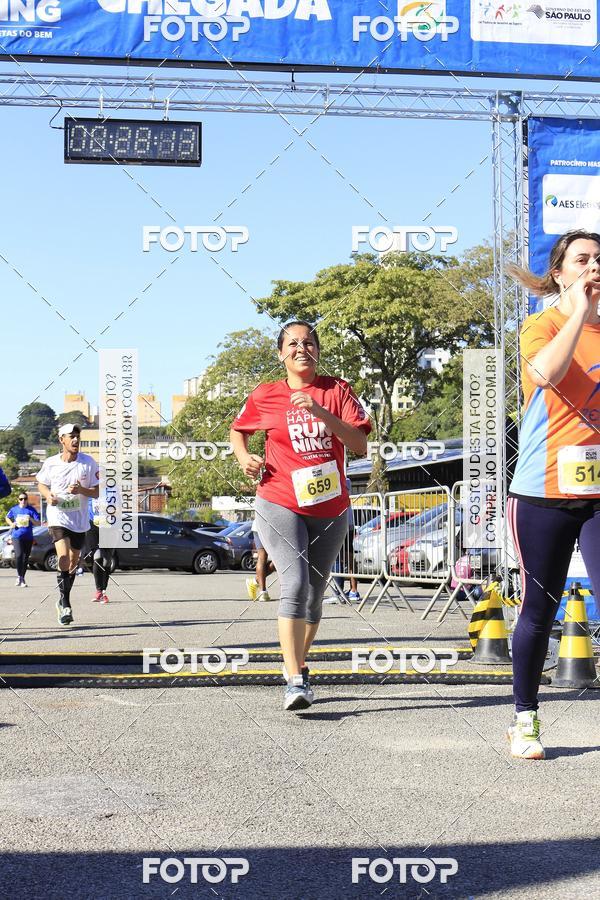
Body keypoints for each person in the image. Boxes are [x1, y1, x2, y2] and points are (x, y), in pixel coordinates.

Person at [230, 320, 371, 711]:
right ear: (281, 354)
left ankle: (298, 663)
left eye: (308, 342)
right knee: (293, 583)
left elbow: (359, 444)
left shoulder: (337, 390)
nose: (300, 348)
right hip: (279, 498)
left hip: (330, 506)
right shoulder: (265, 394)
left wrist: (322, 412)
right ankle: (294, 678)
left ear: (318, 351)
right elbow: (238, 431)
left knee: (314, 592)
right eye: (292, 343)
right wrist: (245, 458)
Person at [506, 230, 600, 759]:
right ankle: (525, 719)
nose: (593, 267)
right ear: (560, 272)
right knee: (539, 610)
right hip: (542, 492)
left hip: (598, 495)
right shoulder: (540, 325)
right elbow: (545, 373)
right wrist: (578, 314)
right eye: (582, 260)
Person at [36, 423, 99, 626]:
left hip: (78, 519)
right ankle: (65, 602)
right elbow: (41, 483)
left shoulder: (88, 463)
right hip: (57, 516)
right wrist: (48, 496)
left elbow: (96, 492)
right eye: (71, 436)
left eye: (77, 436)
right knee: (62, 556)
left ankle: (63, 599)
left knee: (73, 562)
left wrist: (81, 489)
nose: (75, 440)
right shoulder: (51, 462)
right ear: (61, 439)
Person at [83, 496, 115, 604]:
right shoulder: (88, 493)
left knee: (106, 561)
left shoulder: (112, 492)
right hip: (93, 528)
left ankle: (104, 591)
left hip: (109, 528)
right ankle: (99, 591)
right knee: (97, 557)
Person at [5, 492, 40, 587]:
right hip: (16, 536)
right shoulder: (14, 509)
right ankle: (19, 576)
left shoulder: (31, 510)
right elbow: (7, 517)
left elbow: (38, 523)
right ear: (18, 500)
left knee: (25, 558)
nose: (23, 500)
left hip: (28, 537)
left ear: (27, 499)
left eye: (25, 498)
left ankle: (22, 578)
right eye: (21, 499)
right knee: (19, 555)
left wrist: (31, 520)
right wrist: (11, 524)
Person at [246, 518, 276, 602]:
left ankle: (255, 581)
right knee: (262, 556)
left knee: (279, 560)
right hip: (262, 526)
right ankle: (263, 592)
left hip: (275, 526)